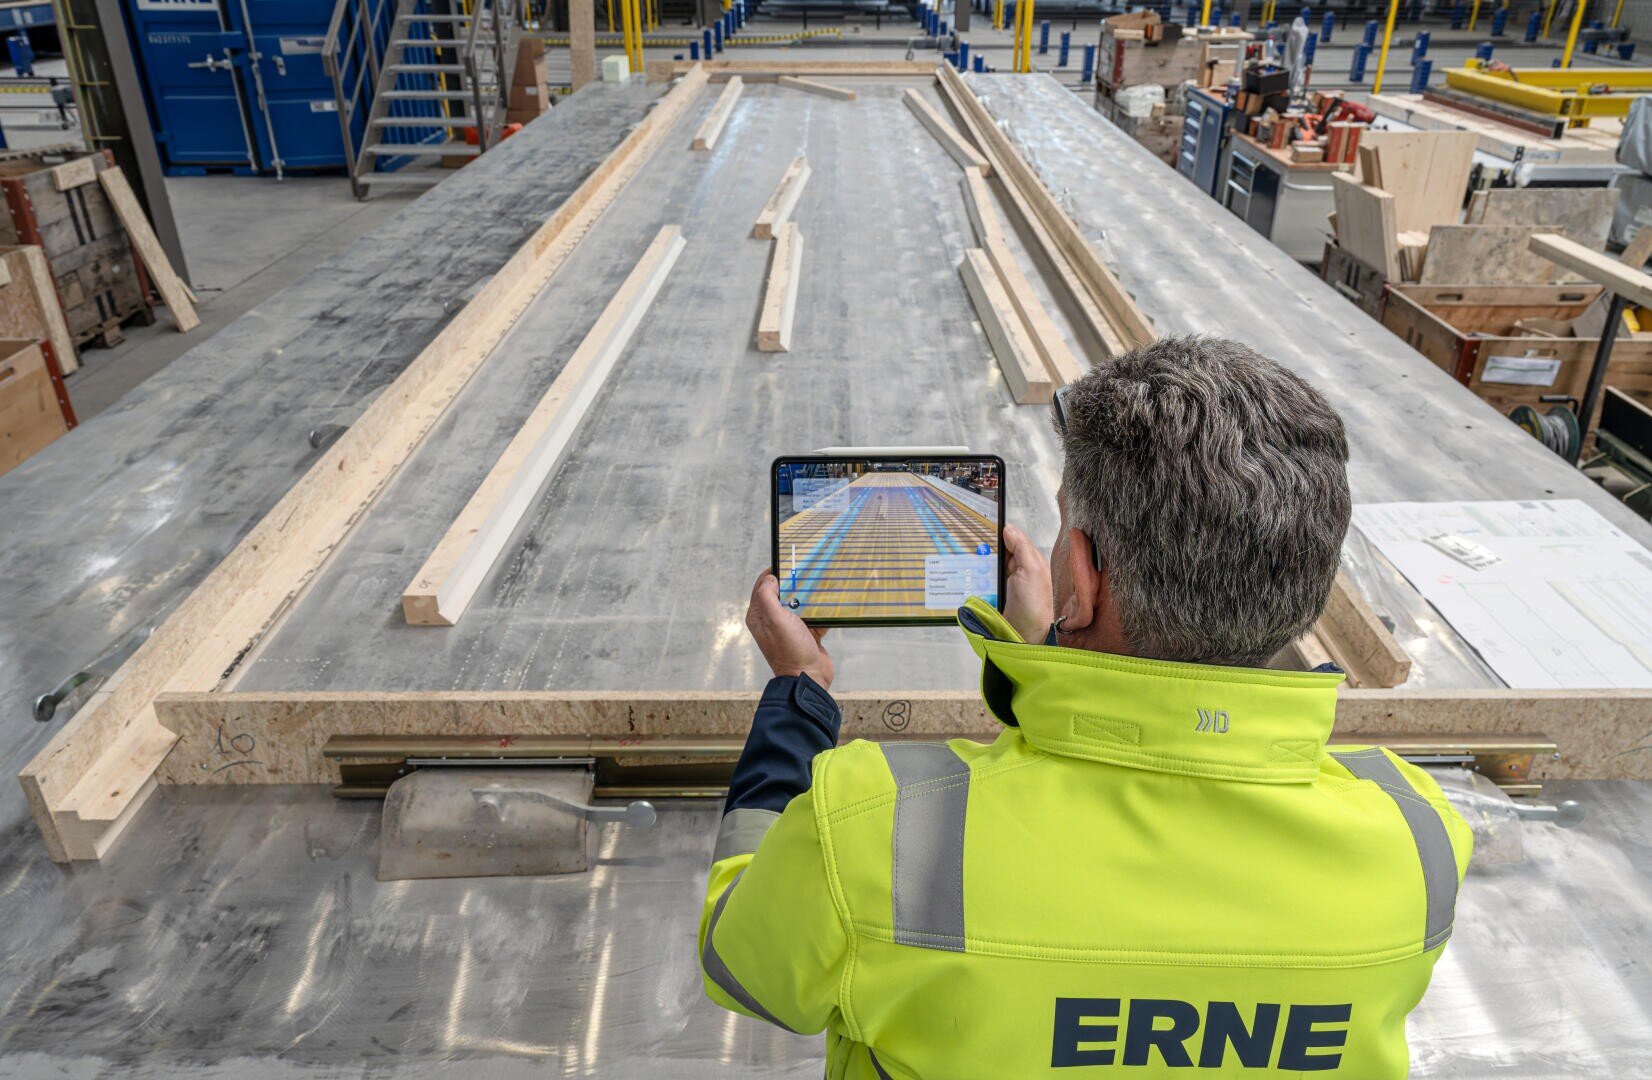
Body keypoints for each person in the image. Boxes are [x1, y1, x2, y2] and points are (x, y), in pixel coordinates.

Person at [698, 336, 1472, 1078]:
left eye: (1067, 519)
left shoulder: (874, 830)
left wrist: (799, 693)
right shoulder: (1419, 838)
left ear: (1083, 572)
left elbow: (742, 960)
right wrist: (1044, 640)